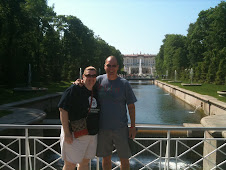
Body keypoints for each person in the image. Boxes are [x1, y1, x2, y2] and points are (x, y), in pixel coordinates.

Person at [75, 56, 137, 170]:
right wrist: (79, 82)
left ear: (118, 67)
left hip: (121, 128)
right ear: (104, 66)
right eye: (109, 65)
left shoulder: (124, 84)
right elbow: (87, 85)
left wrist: (133, 126)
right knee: (106, 159)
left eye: (114, 66)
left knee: (124, 159)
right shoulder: (98, 80)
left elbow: (131, 107)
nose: (111, 68)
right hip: (103, 128)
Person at [58, 66, 100, 170]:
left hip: (92, 134)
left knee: (85, 163)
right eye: (88, 75)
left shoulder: (96, 90)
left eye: (93, 75)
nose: (91, 78)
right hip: (75, 134)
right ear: (83, 76)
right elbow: (63, 110)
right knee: (70, 165)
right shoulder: (74, 89)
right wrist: (67, 133)